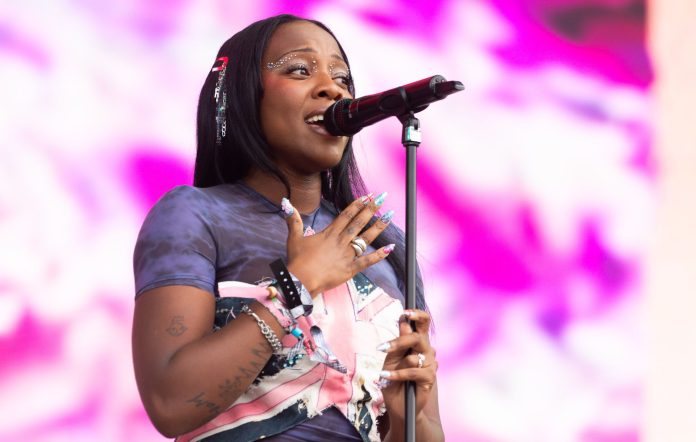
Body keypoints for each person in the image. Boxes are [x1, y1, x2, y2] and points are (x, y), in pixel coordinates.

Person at [132, 14, 444, 442]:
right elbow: (170, 404)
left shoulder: (384, 247)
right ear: (244, 95)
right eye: (299, 69)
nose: (331, 88)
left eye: (342, 78)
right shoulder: (195, 216)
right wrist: (299, 285)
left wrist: (416, 413)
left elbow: (415, 431)